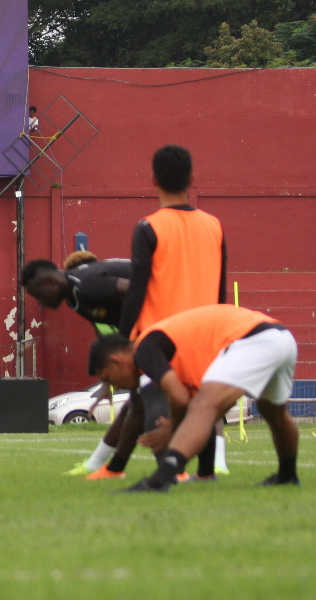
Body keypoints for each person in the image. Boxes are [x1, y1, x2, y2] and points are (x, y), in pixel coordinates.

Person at [89, 304, 299, 492]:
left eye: (109, 378)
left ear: (116, 361)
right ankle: (287, 475)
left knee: (203, 406)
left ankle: (159, 481)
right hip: (281, 337)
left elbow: (181, 400)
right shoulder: (173, 350)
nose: (116, 386)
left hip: (252, 339)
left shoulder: (144, 348)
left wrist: (172, 430)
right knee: (275, 415)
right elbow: (193, 408)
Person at [116, 144, 230, 480]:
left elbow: (137, 288)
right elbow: (221, 289)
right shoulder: (215, 226)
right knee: (201, 405)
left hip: (160, 333)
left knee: (155, 400)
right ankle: (206, 474)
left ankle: (173, 471)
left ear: (153, 179)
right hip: (205, 335)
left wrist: (123, 335)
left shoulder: (148, 227)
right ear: (192, 178)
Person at [22, 254, 143, 477]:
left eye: (39, 295)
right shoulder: (75, 297)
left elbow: (137, 291)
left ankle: (183, 467)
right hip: (153, 330)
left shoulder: (87, 283)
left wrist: (130, 340)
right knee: (140, 401)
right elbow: (101, 329)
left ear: (50, 281)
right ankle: (106, 468)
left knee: (156, 400)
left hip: (170, 318)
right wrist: (107, 382)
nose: (40, 303)